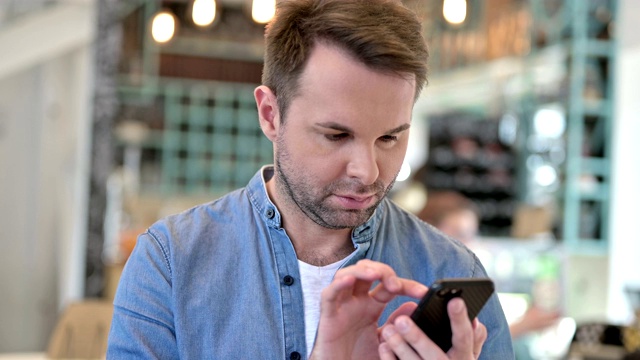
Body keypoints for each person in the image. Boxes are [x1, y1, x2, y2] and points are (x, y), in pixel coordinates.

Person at [106, 0, 514, 359]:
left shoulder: (453, 269)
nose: (367, 171)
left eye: (390, 137)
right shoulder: (172, 263)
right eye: (336, 135)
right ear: (270, 114)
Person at [418, 190, 561, 340]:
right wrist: (522, 326)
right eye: (460, 233)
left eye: (472, 235)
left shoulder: (454, 277)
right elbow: (453, 345)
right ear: (429, 229)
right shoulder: (421, 281)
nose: (468, 245)